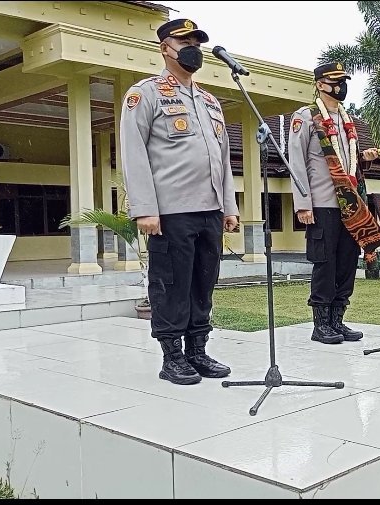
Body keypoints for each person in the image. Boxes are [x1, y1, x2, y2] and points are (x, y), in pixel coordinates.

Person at [121, 18, 239, 385]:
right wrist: (144, 209)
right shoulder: (146, 94)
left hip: (209, 210)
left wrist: (229, 207)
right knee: (172, 285)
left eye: (197, 44)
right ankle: (172, 357)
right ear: (164, 48)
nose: (193, 50)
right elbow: (134, 152)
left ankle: (197, 351)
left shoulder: (210, 101)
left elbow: (222, 159)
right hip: (170, 212)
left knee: (203, 284)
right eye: (185, 42)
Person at [288, 62, 380, 344]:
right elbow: (297, 163)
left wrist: (364, 158)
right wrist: (303, 204)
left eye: (343, 81)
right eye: (335, 81)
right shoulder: (306, 117)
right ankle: (320, 325)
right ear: (320, 84)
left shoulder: (346, 120)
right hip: (322, 204)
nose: (341, 86)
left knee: (346, 263)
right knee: (325, 263)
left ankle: (337, 320)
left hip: (350, 206)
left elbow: (346, 162)